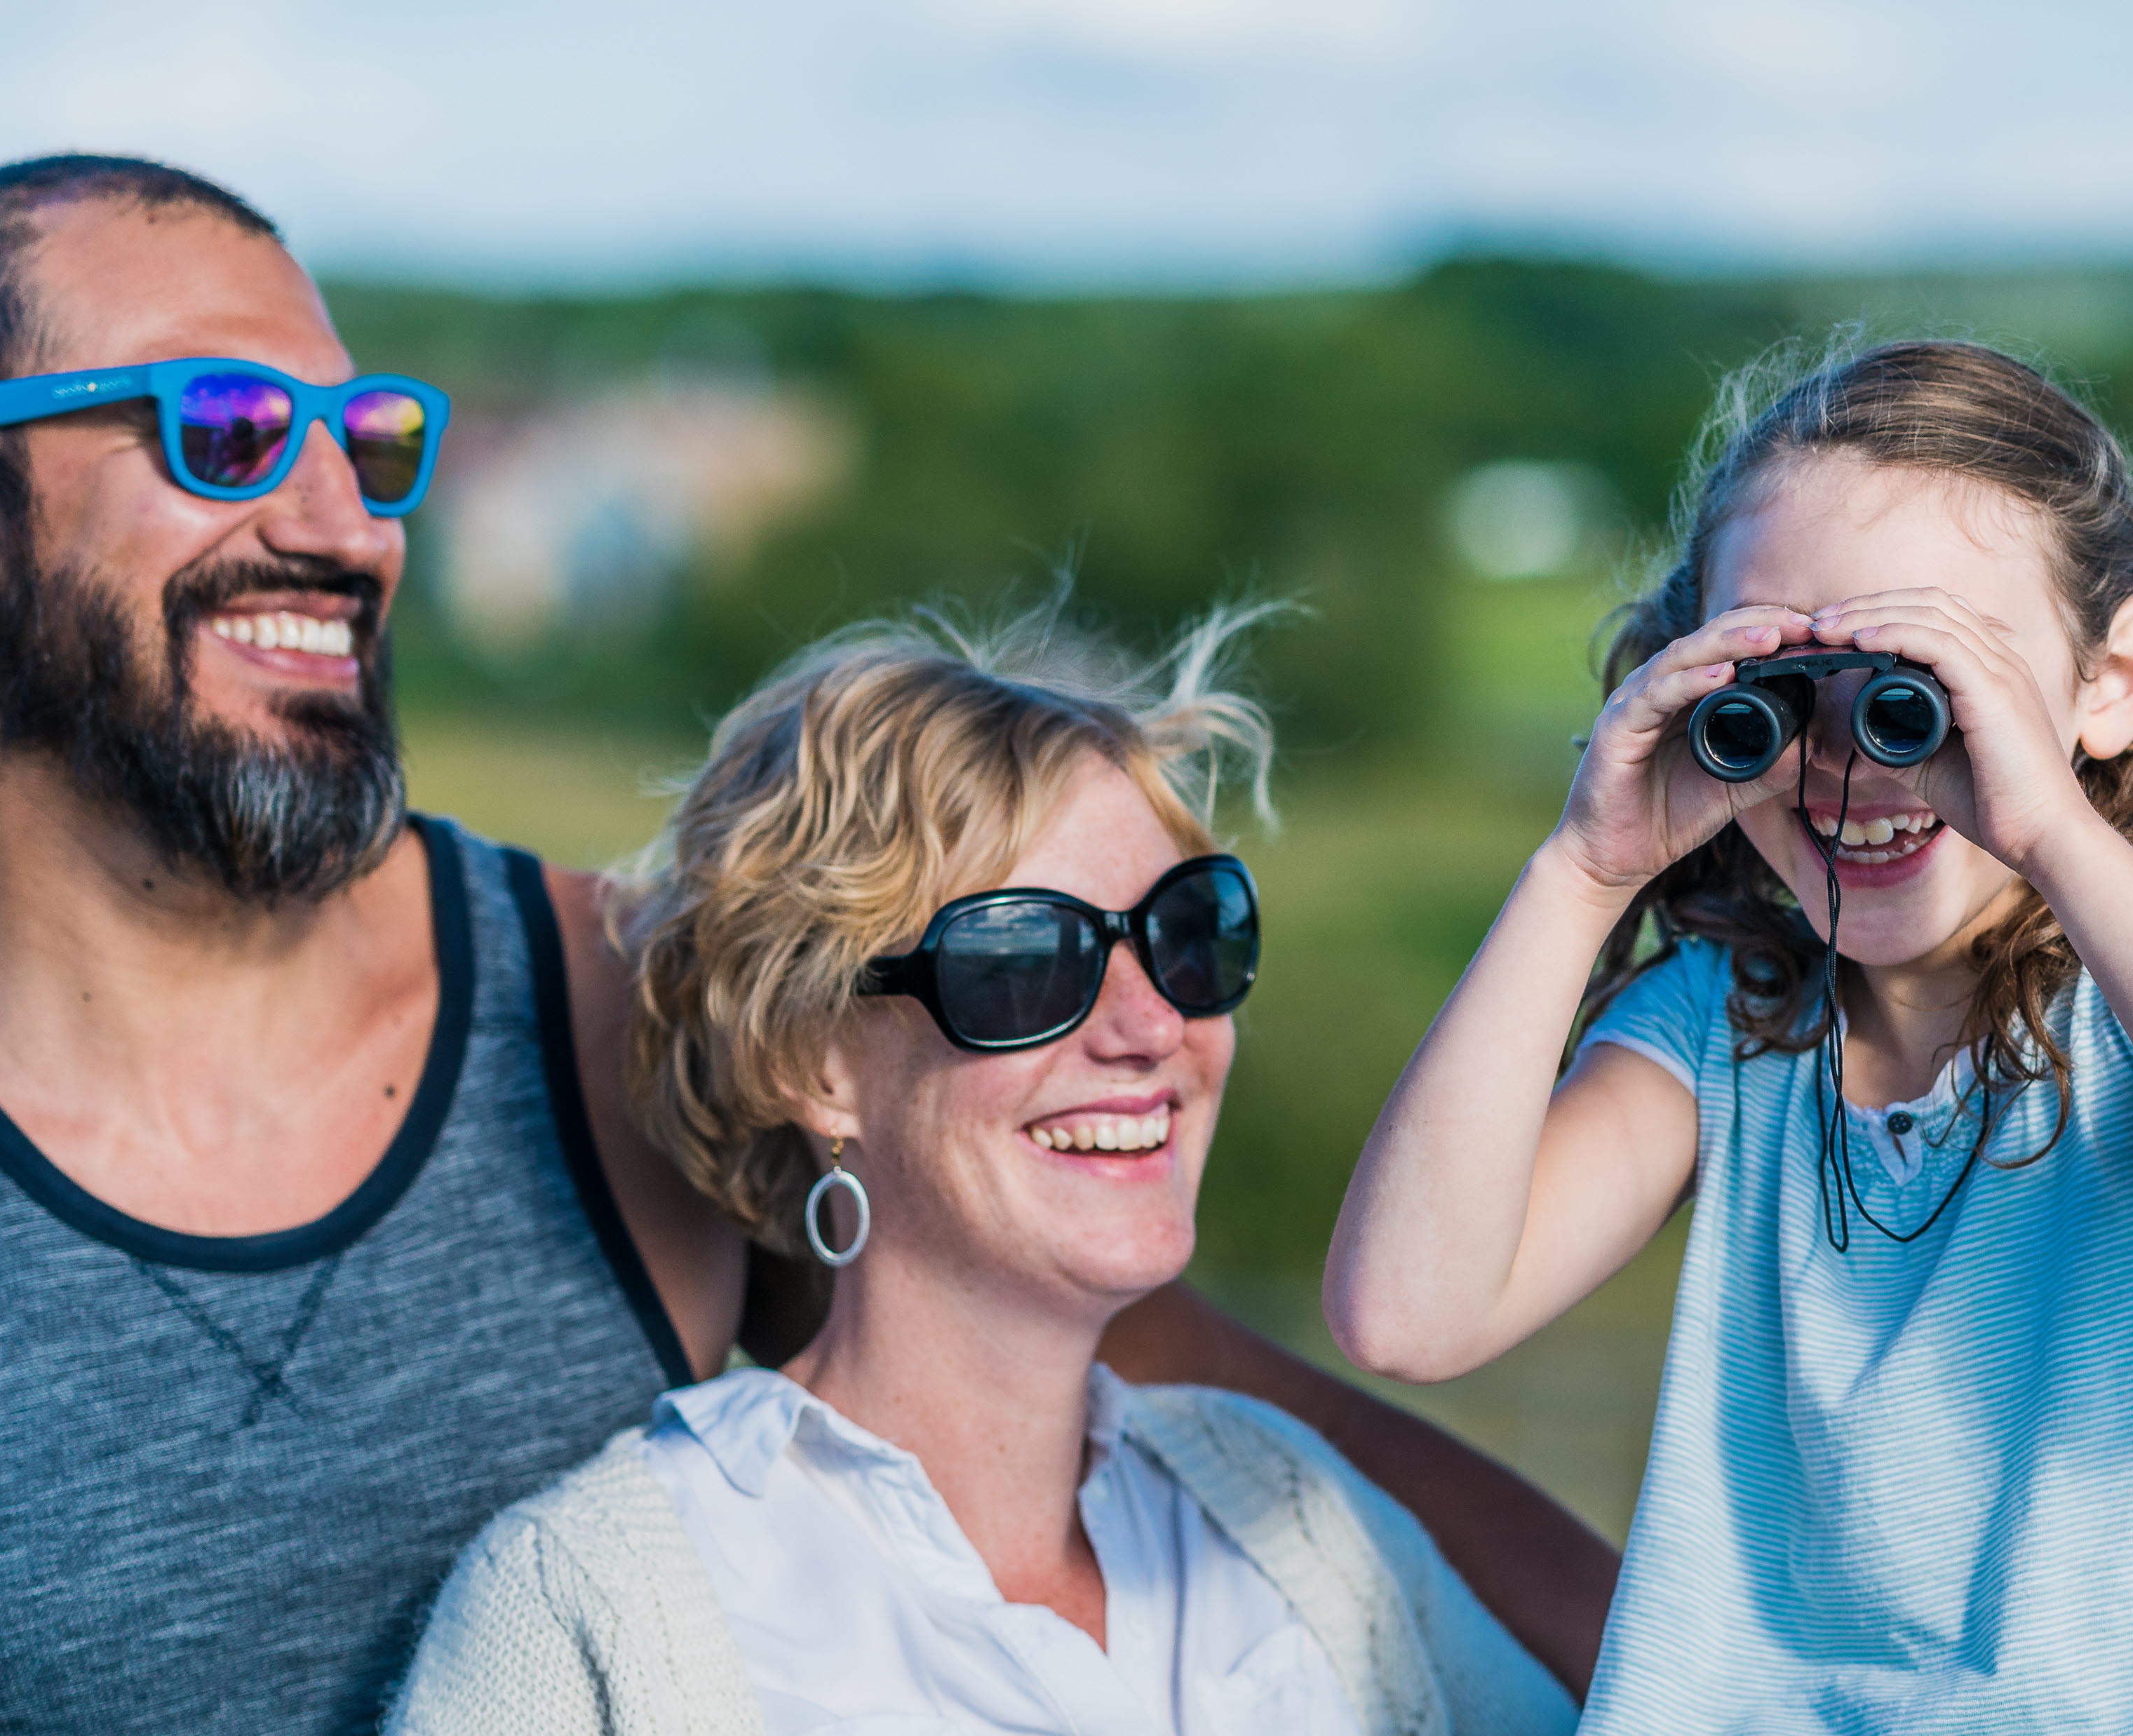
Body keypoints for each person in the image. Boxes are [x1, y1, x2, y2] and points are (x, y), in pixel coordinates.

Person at [0, 154, 1609, 1734]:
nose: (346, 524)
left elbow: (1219, 1429)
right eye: (227, 428)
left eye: (372, 441)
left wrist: (1716, 1675)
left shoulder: (618, 997)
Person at [1324, 339, 2133, 1730]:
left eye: (1922, 686)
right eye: (1788, 697)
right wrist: (1581, 873)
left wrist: (2042, 823)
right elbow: (1407, 1310)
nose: (1860, 758)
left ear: (2111, 681)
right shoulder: (1729, 1021)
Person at [390, 610, 1577, 1735]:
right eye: (1023, 961)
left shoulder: (1291, 1511)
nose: (1149, 1025)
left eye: (1183, 934)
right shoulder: (591, 1604)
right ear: (814, 1061)